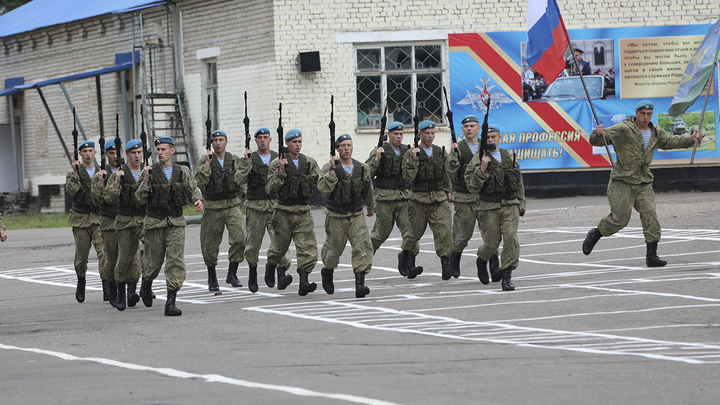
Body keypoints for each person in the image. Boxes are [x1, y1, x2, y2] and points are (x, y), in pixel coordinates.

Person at [582, 100, 703, 266]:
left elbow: (670, 142)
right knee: (620, 219)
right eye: (642, 114)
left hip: (643, 181)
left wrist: (691, 139)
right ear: (636, 113)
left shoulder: (655, 132)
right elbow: (599, 140)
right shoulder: (624, 129)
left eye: (649, 114)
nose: (645, 117)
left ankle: (652, 256)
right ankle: (596, 233)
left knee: (650, 215)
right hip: (622, 181)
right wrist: (597, 133)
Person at [135, 136, 204, 316]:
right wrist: (145, 180)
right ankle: (146, 284)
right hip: (155, 224)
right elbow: (139, 199)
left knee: (175, 262)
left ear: (172, 151)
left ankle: (171, 302)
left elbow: (193, 189)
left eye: (164, 149)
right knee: (153, 261)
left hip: (175, 223)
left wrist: (198, 200)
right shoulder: (149, 171)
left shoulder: (182, 171)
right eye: (158, 150)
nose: (160, 152)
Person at [464, 124, 525, 291]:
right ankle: (482, 259)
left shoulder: (508, 156)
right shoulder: (478, 159)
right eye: (488, 138)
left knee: (511, 237)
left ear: (499, 138)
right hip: (488, 207)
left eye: (493, 137)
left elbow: (518, 182)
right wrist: (482, 169)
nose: (491, 140)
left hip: (510, 205)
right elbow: (471, 186)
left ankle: (506, 276)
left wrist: (521, 203)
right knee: (491, 243)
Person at [318, 134, 376, 298]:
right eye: (343, 145)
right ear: (337, 149)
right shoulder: (328, 168)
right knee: (334, 250)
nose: (346, 148)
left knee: (362, 246)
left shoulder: (361, 168)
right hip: (336, 216)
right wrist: (332, 171)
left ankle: (360, 284)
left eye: (349, 145)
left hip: (356, 214)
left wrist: (371, 207)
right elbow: (323, 189)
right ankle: (327, 272)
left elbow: (368, 189)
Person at [399, 120, 458, 279]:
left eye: (432, 133)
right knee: (413, 234)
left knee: (444, 232)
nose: (430, 136)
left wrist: (448, 189)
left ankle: (446, 266)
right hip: (418, 199)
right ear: (420, 134)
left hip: (438, 199)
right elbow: (407, 177)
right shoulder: (411, 153)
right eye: (426, 133)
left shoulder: (440, 151)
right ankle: (406, 258)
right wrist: (414, 159)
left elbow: (446, 173)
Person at [264, 129, 320, 296]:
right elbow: (269, 188)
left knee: (307, 247)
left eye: (299, 142)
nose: (297, 145)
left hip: (303, 210)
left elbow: (321, 182)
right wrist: (280, 172)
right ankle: (271, 265)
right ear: (287, 144)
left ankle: (304, 281)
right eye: (294, 142)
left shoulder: (309, 162)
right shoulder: (276, 163)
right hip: (283, 211)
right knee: (279, 247)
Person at [194, 129, 251, 292]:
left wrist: (245, 192)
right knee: (210, 244)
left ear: (226, 142)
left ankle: (232, 273)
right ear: (211, 143)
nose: (218, 143)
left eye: (221, 139)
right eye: (215, 140)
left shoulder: (233, 159)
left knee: (240, 238)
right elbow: (200, 181)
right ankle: (212, 277)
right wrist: (207, 163)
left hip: (232, 204)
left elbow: (240, 180)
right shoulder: (204, 160)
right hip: (213, 206)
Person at [448, 114, 499, 281]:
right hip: (464, 196)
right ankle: (454, 258)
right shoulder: (459, 147)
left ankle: (494, 263)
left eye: (472, 126)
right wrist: (453, 156)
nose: (469, 129)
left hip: (485, 197)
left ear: (479, 128)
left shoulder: (487, 147)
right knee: (462, 234)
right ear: (462, 129)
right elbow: (451, 173)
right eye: (466, 126)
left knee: (490, 232)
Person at [244, 127, 292, 293]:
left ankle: (281, 272)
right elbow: (239, 179)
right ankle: (252, 272)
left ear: (270, 140)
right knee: (253, 244)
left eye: (265, 137)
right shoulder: (250, 158)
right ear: (255, 141)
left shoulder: (278, 157)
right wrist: (246, 163)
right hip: (255, 206)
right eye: (260, 138)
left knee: (280, 240)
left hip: (275, 206)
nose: (263, 140)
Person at [105, 139, 147, 311]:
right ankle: (121, 292)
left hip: (143, 219)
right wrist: (116, 182)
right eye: (133, 153)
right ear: (127, 154)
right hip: (124, 220)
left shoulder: (148, 172)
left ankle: (140, 289)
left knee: (145, 256)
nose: (137, 156)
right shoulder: (119, 173)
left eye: (139, 152)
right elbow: (109, 198)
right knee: (123, 258)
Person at [365, 121, 410, 270]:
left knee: (409, 232)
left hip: (403, 197)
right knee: (380, 234)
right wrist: (376, 160)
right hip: (384, 198)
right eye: (396, 134)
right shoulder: (380, 150)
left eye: (401, 134)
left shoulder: (407, 150)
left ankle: (409, 263)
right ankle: (364, 261)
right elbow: (367, 174)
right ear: (388, 134)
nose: (399, 136)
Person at [66, 140, 106, 303]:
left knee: (103, 254)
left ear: (95, 153)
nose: (88, 154)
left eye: (91, 151)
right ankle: (81, 281)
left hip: (98, 219)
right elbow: (71, 191)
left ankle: (106, 286)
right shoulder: (73, 173)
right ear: (80, 154)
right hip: (81, 220)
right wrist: (75, 174)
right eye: (85, 151)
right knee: (81, 258)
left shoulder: (101, 172)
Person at [92, 139, 121, 308]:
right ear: (106, 155)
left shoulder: (127, 171)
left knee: (133, 254)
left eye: (117, 153)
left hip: (126, 219)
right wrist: (101, 183)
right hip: (108, 219)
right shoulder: (101, 174)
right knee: (109, 256)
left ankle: (130, 289)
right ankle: (109, 287)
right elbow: (96, 201)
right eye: (111, 153)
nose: (115, 156)